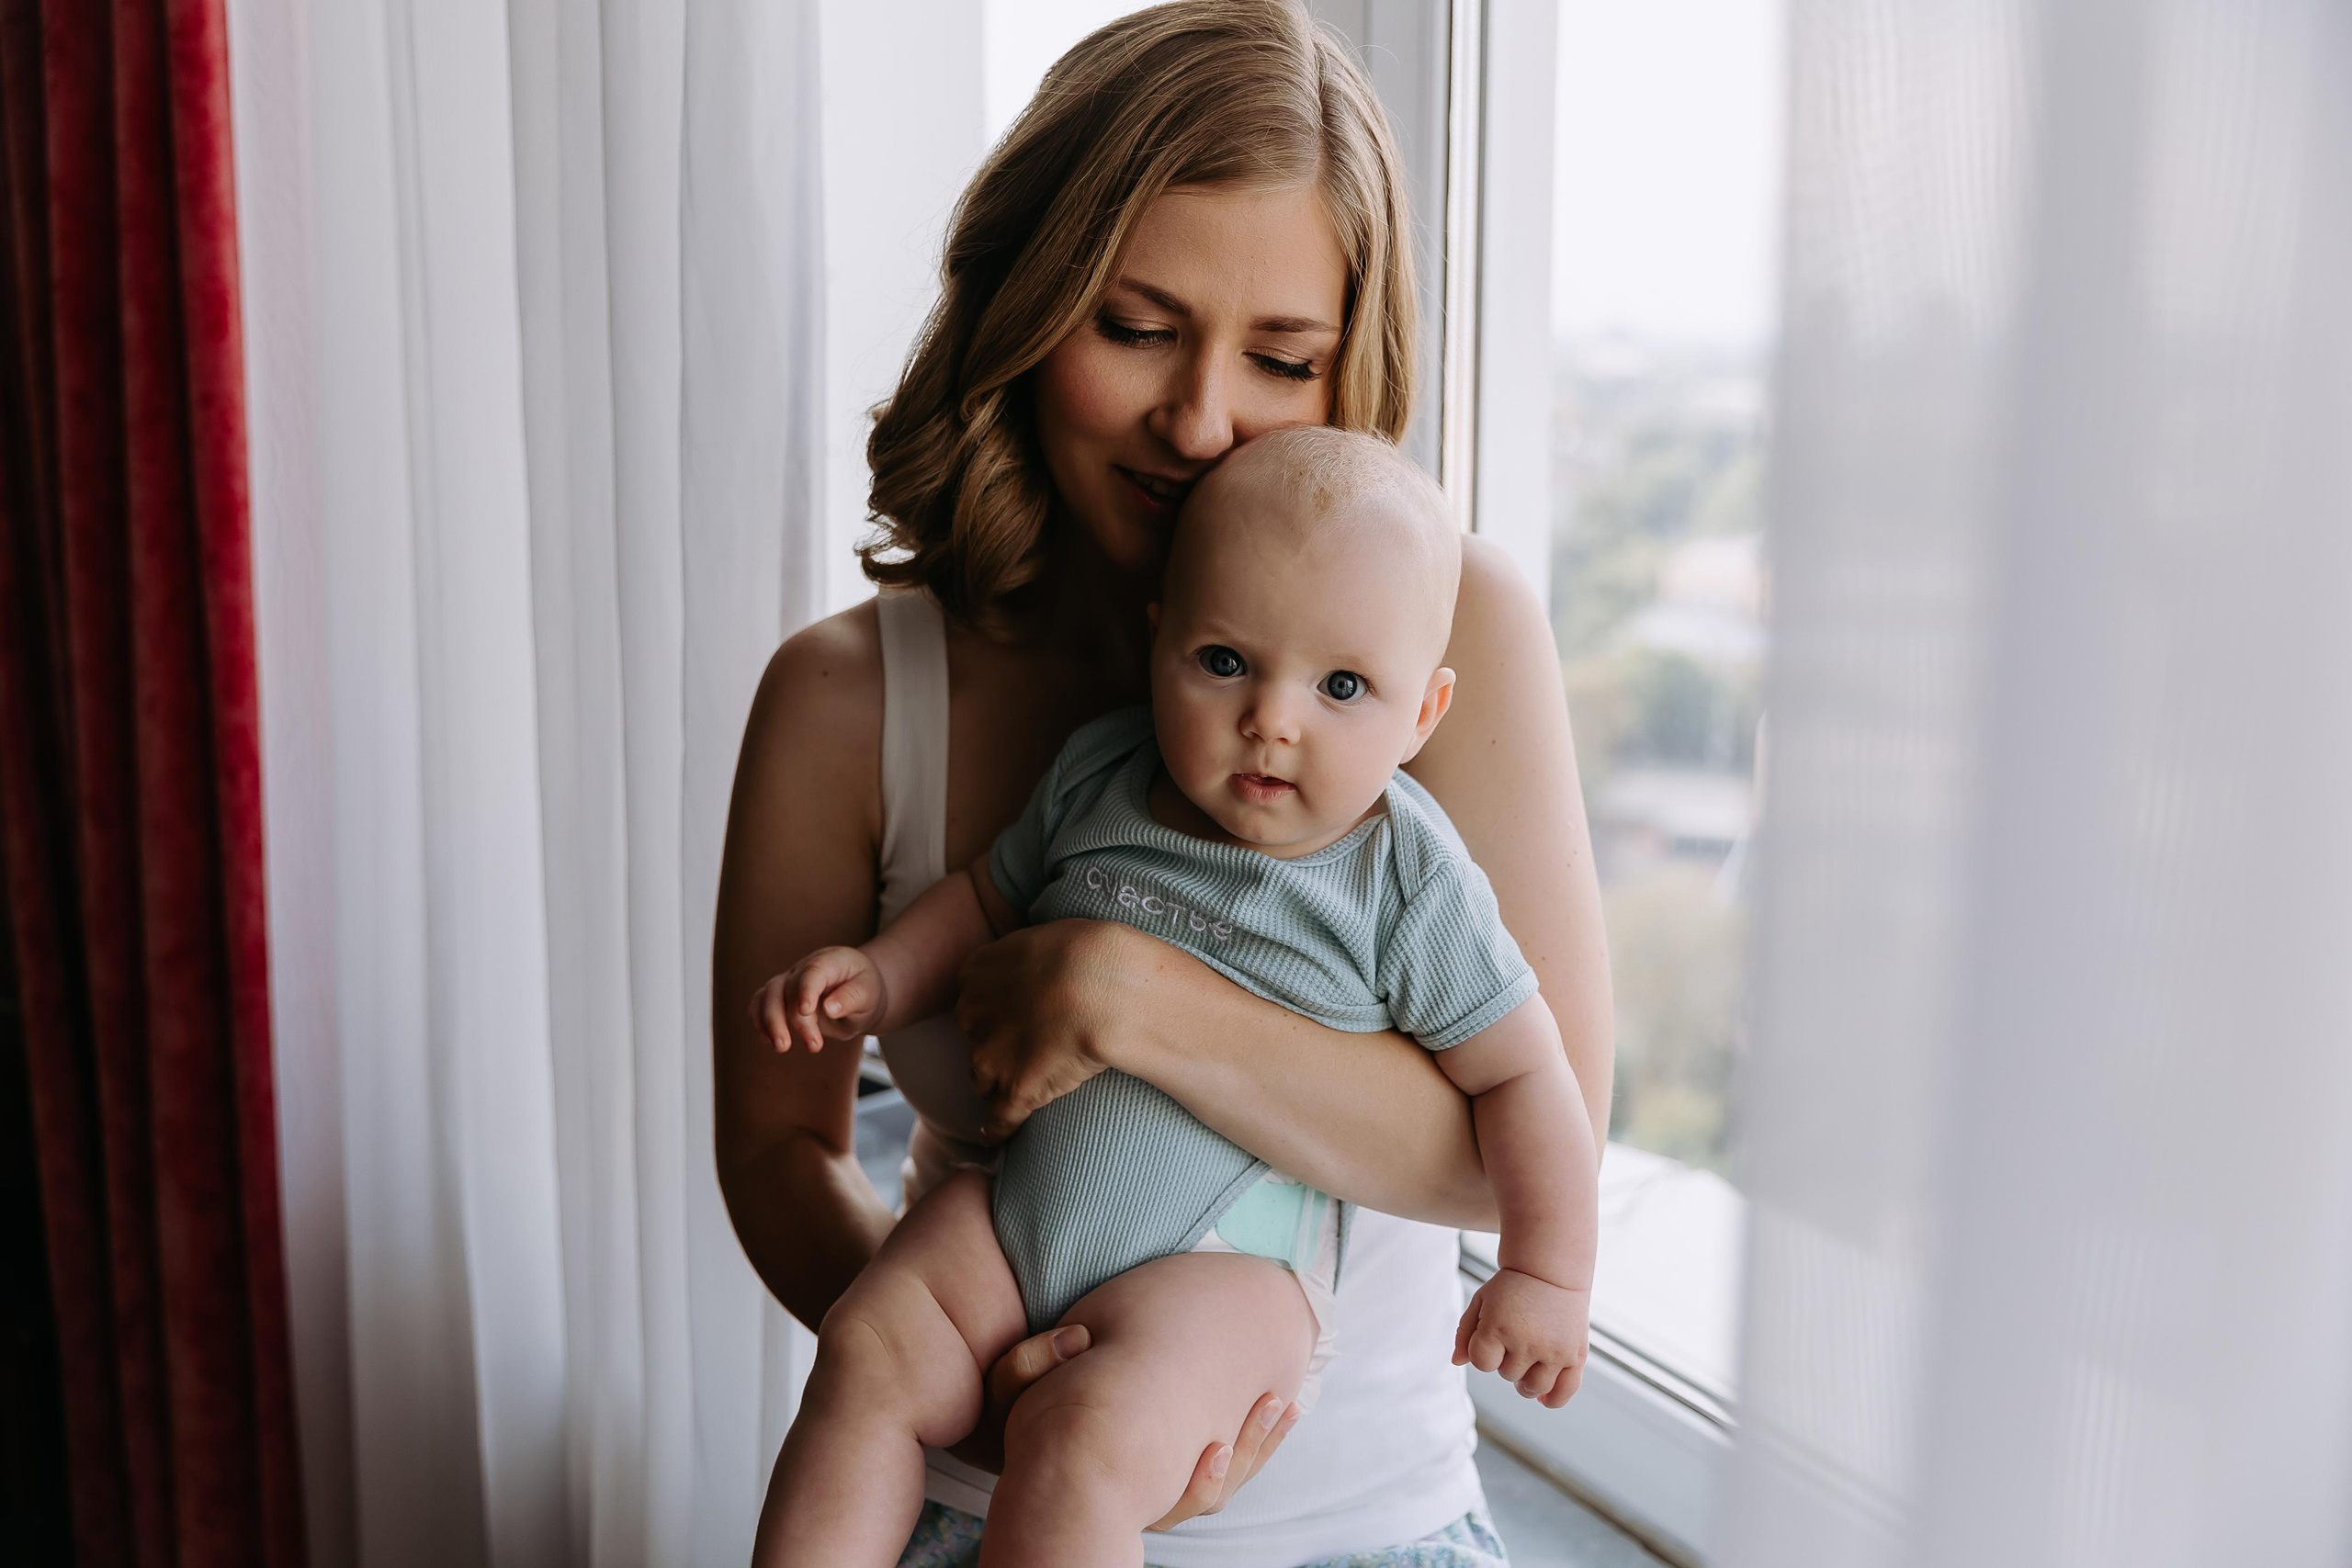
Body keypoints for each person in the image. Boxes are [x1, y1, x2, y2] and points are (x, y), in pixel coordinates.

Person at [710, 5, 1613, 1562]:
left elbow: (1526, 1141)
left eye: (1282, 360)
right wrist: (989, 1400)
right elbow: (780, 1147)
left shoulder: (1454, 632)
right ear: (1023, 299)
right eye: (1133, 327)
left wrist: (1127, 996)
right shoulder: (851, 698)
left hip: (1368, 1527)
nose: (1200, 423)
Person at [749, 430, 1598, 1565]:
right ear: (1161, 639)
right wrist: (881, 972)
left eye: (1342, 686)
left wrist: (1546, 1273)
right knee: (868, 1350)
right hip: (1017, 1213)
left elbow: (1527, 1071)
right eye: (1223, 662)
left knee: (1084, 1442)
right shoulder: (1103, 771)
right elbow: (982, 904)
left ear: (1424, 714)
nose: (1272, 719)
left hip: (1226, 1258)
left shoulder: (1403, 871)